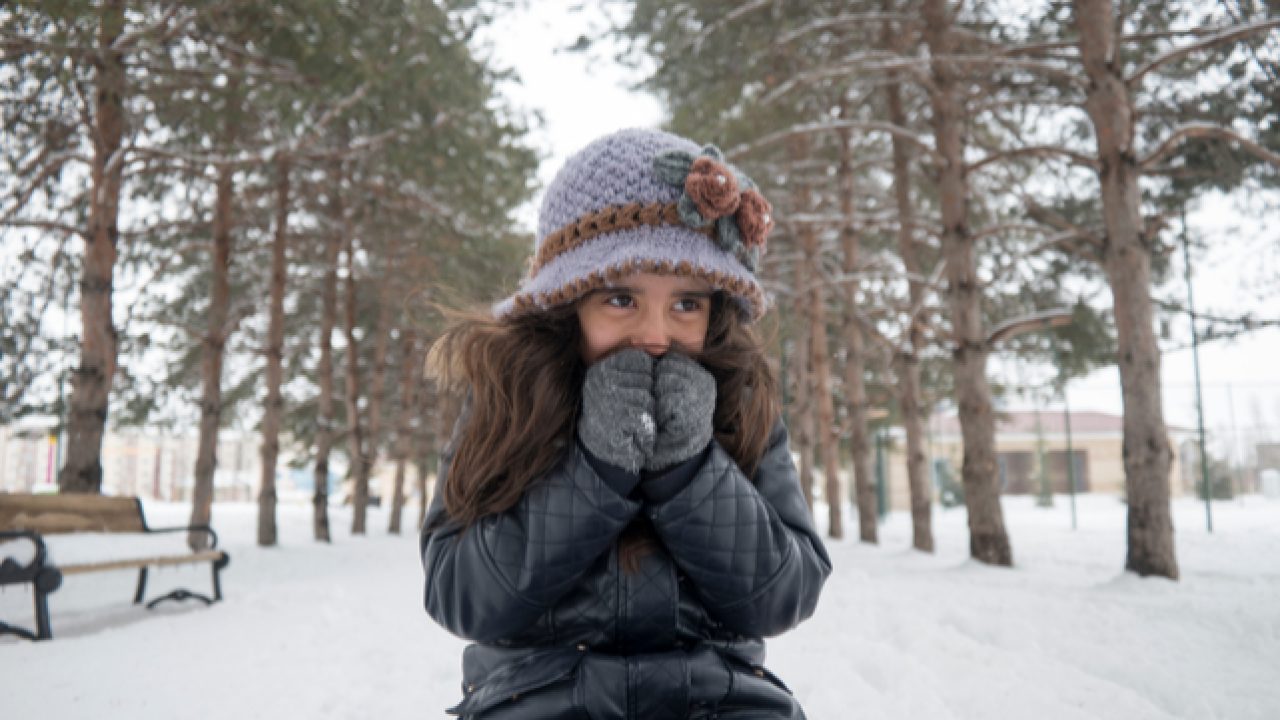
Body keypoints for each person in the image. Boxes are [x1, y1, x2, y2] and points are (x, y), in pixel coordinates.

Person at [420, 128, 832, 719]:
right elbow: (459, 593)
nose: (655, 334)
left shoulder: (739, 400)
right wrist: (595, 472)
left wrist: (691, 473)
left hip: (720, 699)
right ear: (568, 303)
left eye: (685, 303)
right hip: (538, 699)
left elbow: (785, 594)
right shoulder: (508, 398)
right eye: (621, 299)